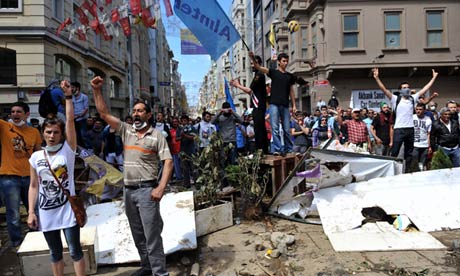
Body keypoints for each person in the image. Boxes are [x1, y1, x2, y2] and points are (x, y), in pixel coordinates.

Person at [91, 76, 173, 276]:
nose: (136, 114)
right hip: (128, 191)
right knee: (137, 234)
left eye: (140, 111)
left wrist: (160, 188)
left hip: (147, 191)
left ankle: (160, 273)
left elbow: (168, 162)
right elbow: (103, 113)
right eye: (134, 111)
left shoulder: (157, 136)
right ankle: (146, 268)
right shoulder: (126, 131)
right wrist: (96, 90)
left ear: (149, 115)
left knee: (151, 235)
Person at [27, 80, 86, 275]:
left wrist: (68, 97)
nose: (52, 136)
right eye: (48, 132)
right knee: (54, 252)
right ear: (43, 134)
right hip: (46, 212)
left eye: (56, 133)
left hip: (68, 210)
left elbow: (70, 121)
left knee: (75, 251)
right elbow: (34, 186)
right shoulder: (36, 157)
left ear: (61, 135)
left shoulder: (68, 151)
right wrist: (31, 212)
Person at [373, 68, 438, 166]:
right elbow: (384, 89)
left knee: (409, 154)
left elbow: (425, 88)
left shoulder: (413, 98)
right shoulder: (395, 99)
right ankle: (392, 170)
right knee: (395, 152)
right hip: (399, 129)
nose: (406, 89)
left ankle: (407, 171)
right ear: (400, 90)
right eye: (404, 87)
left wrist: (434, 78)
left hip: (410, 130)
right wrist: (377, 78)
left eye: (408, 87)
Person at [0, 102, 42, 247]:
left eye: (19, 111)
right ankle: (17, 242)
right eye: (13, 112)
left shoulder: (34, 132)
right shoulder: (4, 127)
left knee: (35, 210)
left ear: (27, 114)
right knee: (13, 214)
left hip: (30, 178)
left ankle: (37, 238)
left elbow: (38, 153)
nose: (15, 114)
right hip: (9, 177)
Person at [249, 51, 297, 155]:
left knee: (287, 129)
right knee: (275, 128)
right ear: (279, 62)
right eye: (284, 61)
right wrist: (252, 58)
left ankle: (289, 149)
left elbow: (291, 91)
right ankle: (278, 150)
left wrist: (294, 105)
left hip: (285, 105)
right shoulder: (273, 72)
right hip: (274, 104)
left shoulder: (289, 76)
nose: (286, 63)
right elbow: (258, 67)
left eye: (287, 61)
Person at [230, 54, 269, 154]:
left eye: (253, 63)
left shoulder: (259, 74)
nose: (252, 65)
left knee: (259, 129)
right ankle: (263, 149)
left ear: (259, 64)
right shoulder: (257, 75)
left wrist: (237, 85)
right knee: (260, 128)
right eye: (251, 63)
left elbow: (249, 90)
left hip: (259, 106)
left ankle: (261, 150)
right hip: (258, 106)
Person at [412, 103, 432, 171]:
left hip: (424, 145)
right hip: (414, 144)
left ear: (424, 110)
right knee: (414, 163)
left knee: (422, 164)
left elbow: (429, 134)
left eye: (420, 109)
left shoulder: (428, 120)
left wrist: (429, 146)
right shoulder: (412, 117)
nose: (418, 111)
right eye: (417, 109)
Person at [71, 81, 90, 148]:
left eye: (72, 87)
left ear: (77, 88)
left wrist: (79, 116)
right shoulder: (72, 97)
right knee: (77, 136)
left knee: (83, 135)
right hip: (74, 120)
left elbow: (86, 109)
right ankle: (80, 149)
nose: (71, 89)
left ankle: (89, 148)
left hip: (82, 119)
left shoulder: (84, 97)